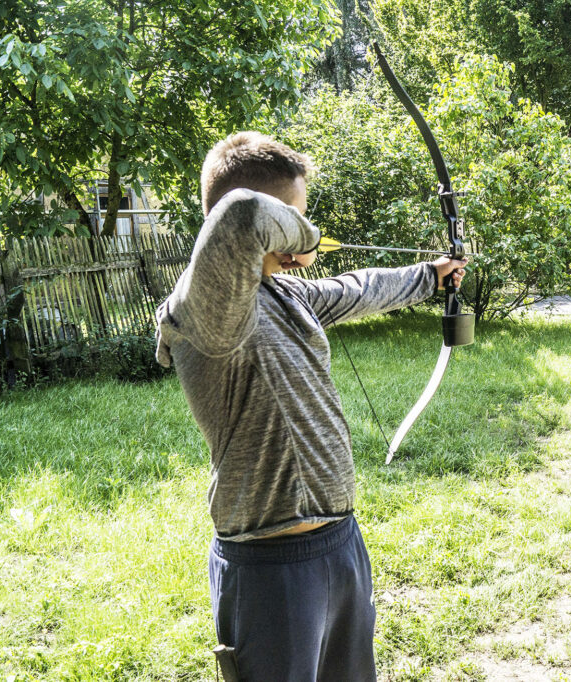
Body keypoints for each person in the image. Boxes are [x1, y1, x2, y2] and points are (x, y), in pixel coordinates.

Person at [154, 131, 468, 680]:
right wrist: (309, 236)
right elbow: (240, 212)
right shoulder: (201, 309)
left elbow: (360, 287)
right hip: (268, 566)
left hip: (340, 544)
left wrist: (430, 275)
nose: (303, 237)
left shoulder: (287, 293)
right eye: (297, 216)